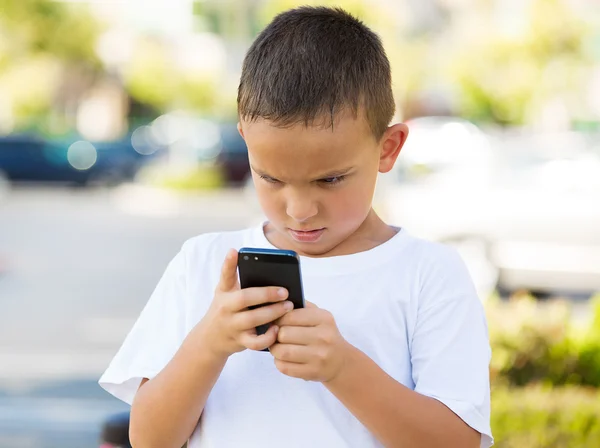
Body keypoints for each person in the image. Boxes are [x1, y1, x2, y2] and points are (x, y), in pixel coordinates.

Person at [99, 6, 493, 448]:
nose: (300, 210)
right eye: (271, 178)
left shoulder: (428, 274)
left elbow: (457, 442)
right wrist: (209, 344)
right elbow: (150, 439)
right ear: (246, 139)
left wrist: (344, 368)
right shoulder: (204, 264)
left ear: (388, 148)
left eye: (330, 179)